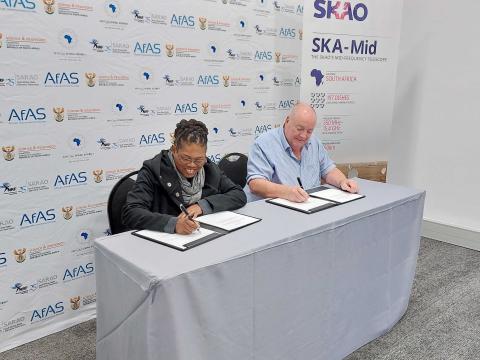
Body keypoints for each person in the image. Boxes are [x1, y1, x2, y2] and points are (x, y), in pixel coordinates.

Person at [122, 119, 247, 234]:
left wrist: (202, 206)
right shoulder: (153, 169)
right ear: (174, 149)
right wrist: (173, 224)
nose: (192, 166)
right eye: (185, 158)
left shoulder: (209, 168)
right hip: (163, 243)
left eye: (198, 160)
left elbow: (238, 194)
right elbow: (131, 212)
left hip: (200, 237)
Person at [246, 102, 358, 202]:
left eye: (309, 131)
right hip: (273, 212)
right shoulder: (264, 144)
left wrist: (342, 181)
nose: (304, 135)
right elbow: (256, 184)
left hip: (309, 206)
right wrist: (286, 192)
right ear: (287, 121)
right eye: (299, 129)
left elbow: (328, 170)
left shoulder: (314, 142)